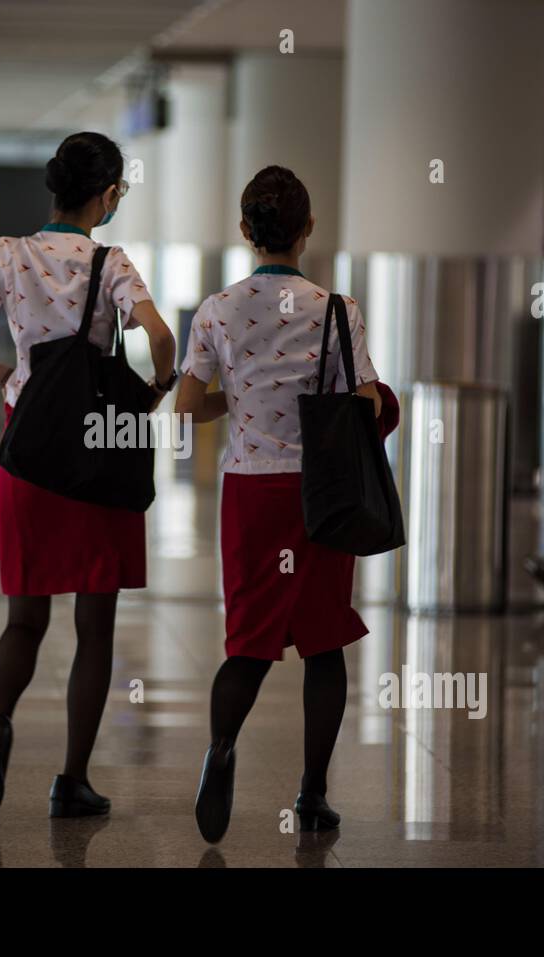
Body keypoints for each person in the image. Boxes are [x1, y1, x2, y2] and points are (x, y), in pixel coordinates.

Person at [0, 132, 176, 819]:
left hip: (28, 446)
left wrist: (5, 373)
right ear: (108, 194)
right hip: (96, 448)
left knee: (25, 617)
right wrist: (153, 391)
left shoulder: (8, 254)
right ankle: (72, 780)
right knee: (96, 623)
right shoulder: (111, 260)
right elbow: (159, 336)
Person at [175, 165, 389, 843]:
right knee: (324, 641)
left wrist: (234, 400)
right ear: (308, 229)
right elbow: (365, 399)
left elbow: (187, 407)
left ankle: (222, 747)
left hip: (250, 491)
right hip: (321, 493)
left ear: (246, 231)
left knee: (249, 639)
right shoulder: (337, 309)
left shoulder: (216, 309)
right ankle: (312, 795)